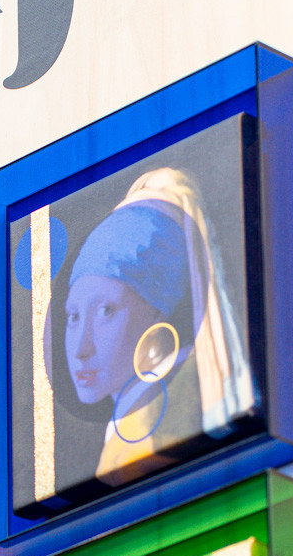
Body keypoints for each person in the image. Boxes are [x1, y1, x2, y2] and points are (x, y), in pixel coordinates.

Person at [62, 167, 254, 484]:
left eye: (106, 310)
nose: (81, 348)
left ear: (158, 311)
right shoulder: (133, 411)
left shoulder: (165, 414)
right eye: (74, 316)